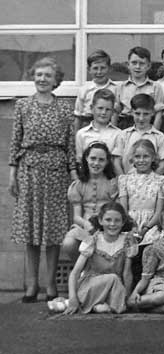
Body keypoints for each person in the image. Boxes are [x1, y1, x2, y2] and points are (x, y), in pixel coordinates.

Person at [9, 57, 77, 302]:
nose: (42, 79)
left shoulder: (65, 108)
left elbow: (70, 147)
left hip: (57, 173)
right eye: (38, 75)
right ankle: (31, 285)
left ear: (55, 80)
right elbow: (16, 142)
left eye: (47, 76)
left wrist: (74, 176)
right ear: (32, 77)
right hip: (29, 171)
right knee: (30, 230)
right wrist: (12, 174)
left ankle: (50, 286)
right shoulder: (22, 106)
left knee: (53, 231)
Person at [49, 202, 138, 314]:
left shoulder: (127, 241)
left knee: (116, 283)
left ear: (123, 222)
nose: (112, 224)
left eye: (117, 220)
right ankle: (72, 302)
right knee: (112, 278)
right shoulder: (92, 240)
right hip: (91, 285)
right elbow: (75, 273)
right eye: (108, 220)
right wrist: (72, 297)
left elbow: (127, 273)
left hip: (114, 287)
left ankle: (101, 305)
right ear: (100, 221)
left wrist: (127, 296)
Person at [62, 142, 119, 261]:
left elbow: (116, 210)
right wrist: (86, 224)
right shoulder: (78, 185)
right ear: (86, 158)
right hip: (86, 225)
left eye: (101, 160)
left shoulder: (112, 183)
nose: (96, 163)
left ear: (107, 162)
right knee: (68, 243)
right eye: (93, 158)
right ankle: (83, 268)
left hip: (107, 225)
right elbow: (76, 217)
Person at [113, 93, 164, 175]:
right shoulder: (123, 135)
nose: (141, 118)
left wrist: (152, 181)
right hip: (127, 182)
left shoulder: (159, 136)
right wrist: (124, 180)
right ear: (132, 112)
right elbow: (116, 162)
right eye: (137, 113)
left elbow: (163, 163)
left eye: (146, 114)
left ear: (152, 113)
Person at [114, 47, 164, 130]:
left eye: (142, 63)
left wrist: (154, 133)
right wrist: (114, 134)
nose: (138, 66)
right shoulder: (120, 87)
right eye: (134, 63)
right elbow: (115, 112)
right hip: (125, 124)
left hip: (147, 124)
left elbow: (158, 113)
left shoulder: (155, 86)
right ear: (128, 65)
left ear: (148, 66)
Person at [74, 88, 122, 166]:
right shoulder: (81, 134)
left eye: (108, 109)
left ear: (113, 111)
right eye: (100, 108)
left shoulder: (118, 134)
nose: (103, 112)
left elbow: (117, 162)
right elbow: (79, 160)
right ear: (92, 108)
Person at [74, 50, 118, 131]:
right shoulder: (84, 90)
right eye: (95, 68)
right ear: (89, 69)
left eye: (103, 68)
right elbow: (78, 116)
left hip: (108, 127)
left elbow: (115, 114)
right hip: (87, 126)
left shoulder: (115, 89)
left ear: (109, 68)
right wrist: (76, 139)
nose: (99, 72)